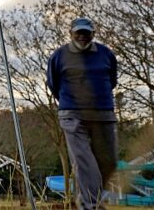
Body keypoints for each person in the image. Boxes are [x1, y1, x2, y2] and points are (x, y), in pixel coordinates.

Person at [46, 17, 118, 210]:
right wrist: (71, 100)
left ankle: (89, 198)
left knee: (109, 162)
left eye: (86, 33)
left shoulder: (106, 54)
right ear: (71, 34)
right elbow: (53, 84)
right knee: (84, 160)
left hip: (103, 114)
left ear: (93, 34)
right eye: (78, 32)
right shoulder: (59, 56)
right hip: (72, 115)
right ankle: (90, 205)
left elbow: (112, 80)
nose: (82, 36)